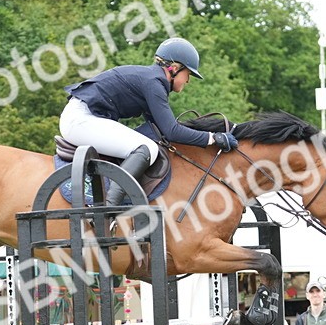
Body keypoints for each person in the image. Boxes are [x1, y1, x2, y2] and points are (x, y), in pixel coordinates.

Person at [59, 37, 238, 206]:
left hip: (84, 118)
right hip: (81, 120)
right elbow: (172, 131)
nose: (188, 80)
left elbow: (160, 130)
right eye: (188, 74)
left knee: (148, 145)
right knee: (147, 148)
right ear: (174, 68)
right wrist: (213, 138)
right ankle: (109, 206)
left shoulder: (151, 80)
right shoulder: (153, 83)